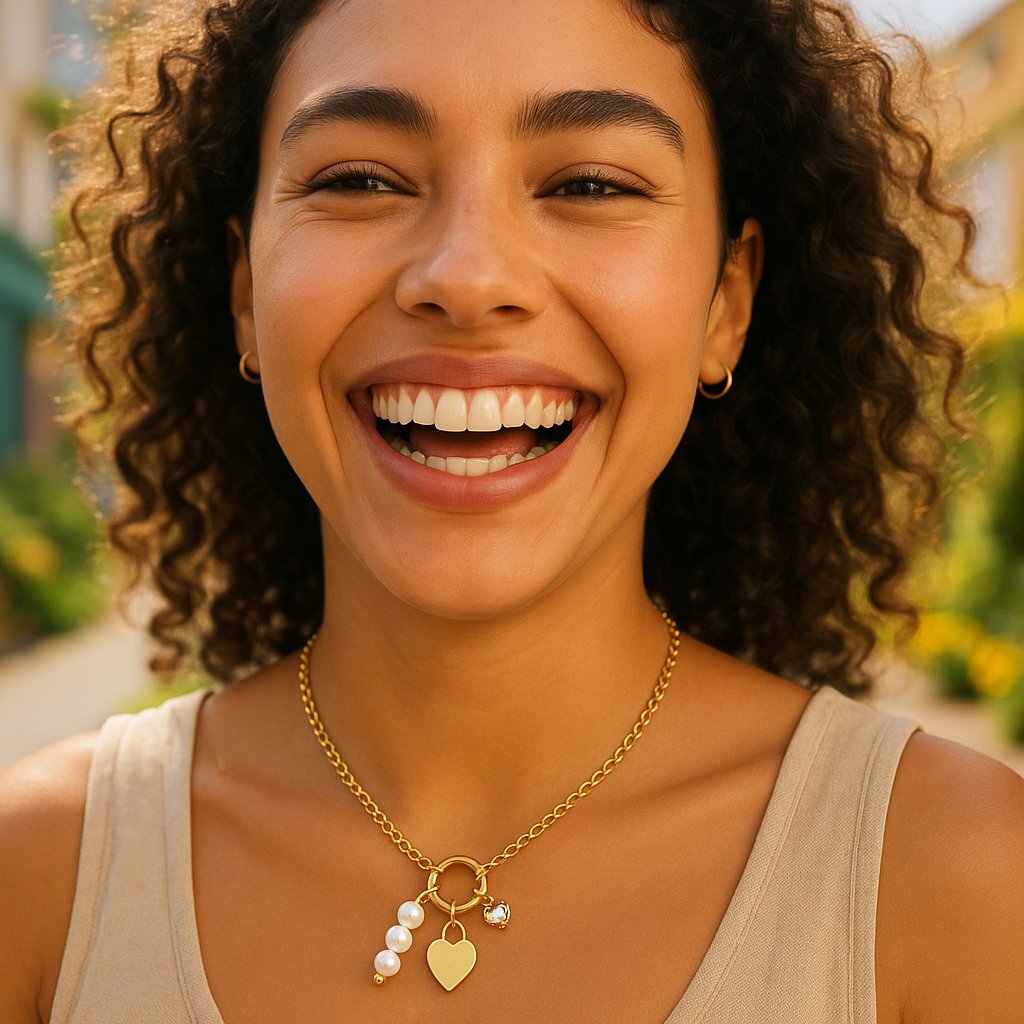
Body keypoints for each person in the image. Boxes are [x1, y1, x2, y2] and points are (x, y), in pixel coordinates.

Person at [2, 0, 1023, 1020]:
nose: (467, 277)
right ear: (243, 293)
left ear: (726, 301)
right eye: (358, 180)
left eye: (589, 183)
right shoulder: (40, 875)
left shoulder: (960, 879)